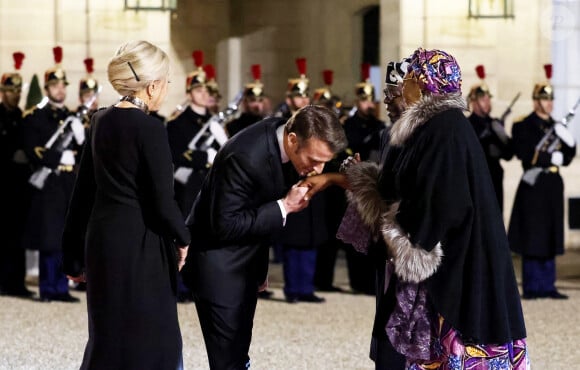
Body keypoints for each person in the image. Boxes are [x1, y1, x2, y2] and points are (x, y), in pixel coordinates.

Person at [303, 48, 529, 369]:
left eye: (409, 79)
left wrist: (407, 237)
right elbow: (399, 187)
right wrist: (352, 179)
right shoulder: (423, 129)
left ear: (424, 84)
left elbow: (443, 203)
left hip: (452, 270)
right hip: (435, 261)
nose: (396, 92)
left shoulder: (445, 129)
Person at [182, 105, 347, 369]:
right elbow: (224, 225)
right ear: (292, 140)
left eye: (324, 161)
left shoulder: (287, 130)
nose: (319, 169)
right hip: (218, 262)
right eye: (314, 160)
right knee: (228, 359)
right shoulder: (244, 155)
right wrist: (285, 207)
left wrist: (258, 268)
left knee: (238, 351)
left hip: (247, 257)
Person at [61, 40, 191, 369]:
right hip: (142, 243)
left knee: (108, 331)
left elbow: (83, 192)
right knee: (153, 333)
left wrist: (71, 255)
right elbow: (163, 200)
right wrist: (184, 238)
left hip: (102, 241)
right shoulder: (151, 129)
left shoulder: (99, 120)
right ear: (152, 86)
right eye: (166, 81)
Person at [508, 63, 576, 300]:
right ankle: (532, 286)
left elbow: (567, 156)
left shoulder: (555, 125)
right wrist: (549, 157)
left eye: (551, 100)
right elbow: (524, 152)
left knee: (550, 233)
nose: (549, 104)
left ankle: (548, 285)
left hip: (552, 185)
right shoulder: (522, 125)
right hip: (534, 185)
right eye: (544, 100)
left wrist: (568, 143)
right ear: (536, 101)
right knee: (533, 234)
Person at [21, 46, 83, 303]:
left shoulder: (70, 117)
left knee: (66, 237)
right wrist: (61, 157)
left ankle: (62, 286)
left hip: (68, 183)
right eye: (55, 85)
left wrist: (81, 141)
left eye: (63, 85)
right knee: (49, 239)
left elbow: (83, 151)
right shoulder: (36, 117)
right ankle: (48, 288)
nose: (60, 89)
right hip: (49, 184)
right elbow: (33, 150)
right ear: (46, 89)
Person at [341, 63, 386, 295]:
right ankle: (357, 281)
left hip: (376, 185)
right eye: (364, 100)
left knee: (375, 236)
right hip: (356, 185)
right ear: (358, 102)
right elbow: (348, 148)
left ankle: (372, 281)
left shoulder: (380, 126)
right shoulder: (349, 125)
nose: (369, 105)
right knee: (356, 233)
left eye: (372, 100)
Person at [0, 51, 34, 298]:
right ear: (3, 91)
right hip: (3, 182)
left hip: (20, 186)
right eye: (12, 90)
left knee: (19, 237)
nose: (17, 94)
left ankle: (17, 282)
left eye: (19, 90)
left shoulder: (23, 118)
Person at [467, 64, 514, 211]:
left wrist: (501, 136)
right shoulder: (467, 125)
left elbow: (509, 154)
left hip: (494, 180)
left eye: (488, 98)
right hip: (475, 181)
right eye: (483, 99)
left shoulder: (494, 124)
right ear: (473, 102)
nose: (487, 102)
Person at [226, 64, 267, 137]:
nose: (257, 105)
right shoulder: (233, 126)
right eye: (253, 100)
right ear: (245, 102)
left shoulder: (267, 125)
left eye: (260, 101)